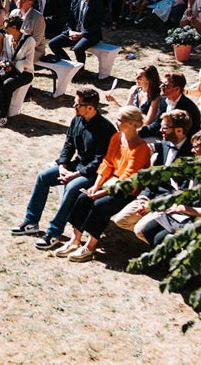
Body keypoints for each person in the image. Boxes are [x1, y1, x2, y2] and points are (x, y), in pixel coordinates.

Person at [11, 87, 116, 249]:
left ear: (90, 107)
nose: (74, 107)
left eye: (77, 104)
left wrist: (73, 176)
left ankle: (54, 232)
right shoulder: (77, 120)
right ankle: (31, 222)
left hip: (94, 173)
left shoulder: (106, 129)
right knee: (43, 177)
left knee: (72, 187)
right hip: (76, 165)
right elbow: (68, 145)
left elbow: (99, 161)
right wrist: (62, 165)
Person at [54, 105, 153, 261]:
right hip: (110, 181)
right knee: (84, 198)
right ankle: (75, 240)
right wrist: (95, 186)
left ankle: (90, 246)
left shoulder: (141, 148)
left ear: (132, 124)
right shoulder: (117, 137)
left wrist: (101, 192)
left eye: (120, 120)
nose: (116, 122)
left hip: (126, 189)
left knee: (101, 204)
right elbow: (107, 163)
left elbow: (127, 178)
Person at [135, 128, 201, 248]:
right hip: (186, 212)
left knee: (160, 239)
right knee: (147, 230)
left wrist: (184, 209)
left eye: (196, 147)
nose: (192, 150)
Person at [113, 110, 194, 233]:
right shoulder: (164, 145)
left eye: (165, 128)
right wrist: (144, 198)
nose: (160, 130)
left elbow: (182, 192)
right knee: (121, 220)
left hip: (170, 203)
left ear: (179, 130)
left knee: (140, 230)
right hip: (152, 196)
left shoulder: (191, 156)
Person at [0, 14, 40, 127]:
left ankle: (2, 117)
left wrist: (14, 64)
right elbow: (3, 54)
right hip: (8, 70)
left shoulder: (29, 40)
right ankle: (1, 110)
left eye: (6, 27)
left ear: (14, 28)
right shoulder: (7, 38)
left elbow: (29, 62)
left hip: (25, 72)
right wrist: (3, 62)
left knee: (6, 85)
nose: (4, 29)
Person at [46, 0, 104, 64]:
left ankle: (80, 71)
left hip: (90, 34)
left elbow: (98, 24)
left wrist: (82, 34)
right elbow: (70, 19)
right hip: (74, 32)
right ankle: (70, 66)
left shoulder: (97, 2)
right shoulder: (75, 0)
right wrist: (70, 31)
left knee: (78, 48)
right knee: (53, 43)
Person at [144, 71, 201, 139]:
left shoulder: (189, 108)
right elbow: (157, 124)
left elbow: (192, 134)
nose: (160, 86)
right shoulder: (163, 101)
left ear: (177, 89)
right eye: (162, 83)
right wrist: (137, 133)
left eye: (165, 85)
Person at [108, 62, 163, 131]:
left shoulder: (155, 96)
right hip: (132, 125)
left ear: (149, 80)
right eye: (136, 75)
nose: (136, 78)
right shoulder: (134, 89)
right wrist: (114, 101)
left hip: (144, 129)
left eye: (139, 77)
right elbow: (126, 111)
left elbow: (148, 122)